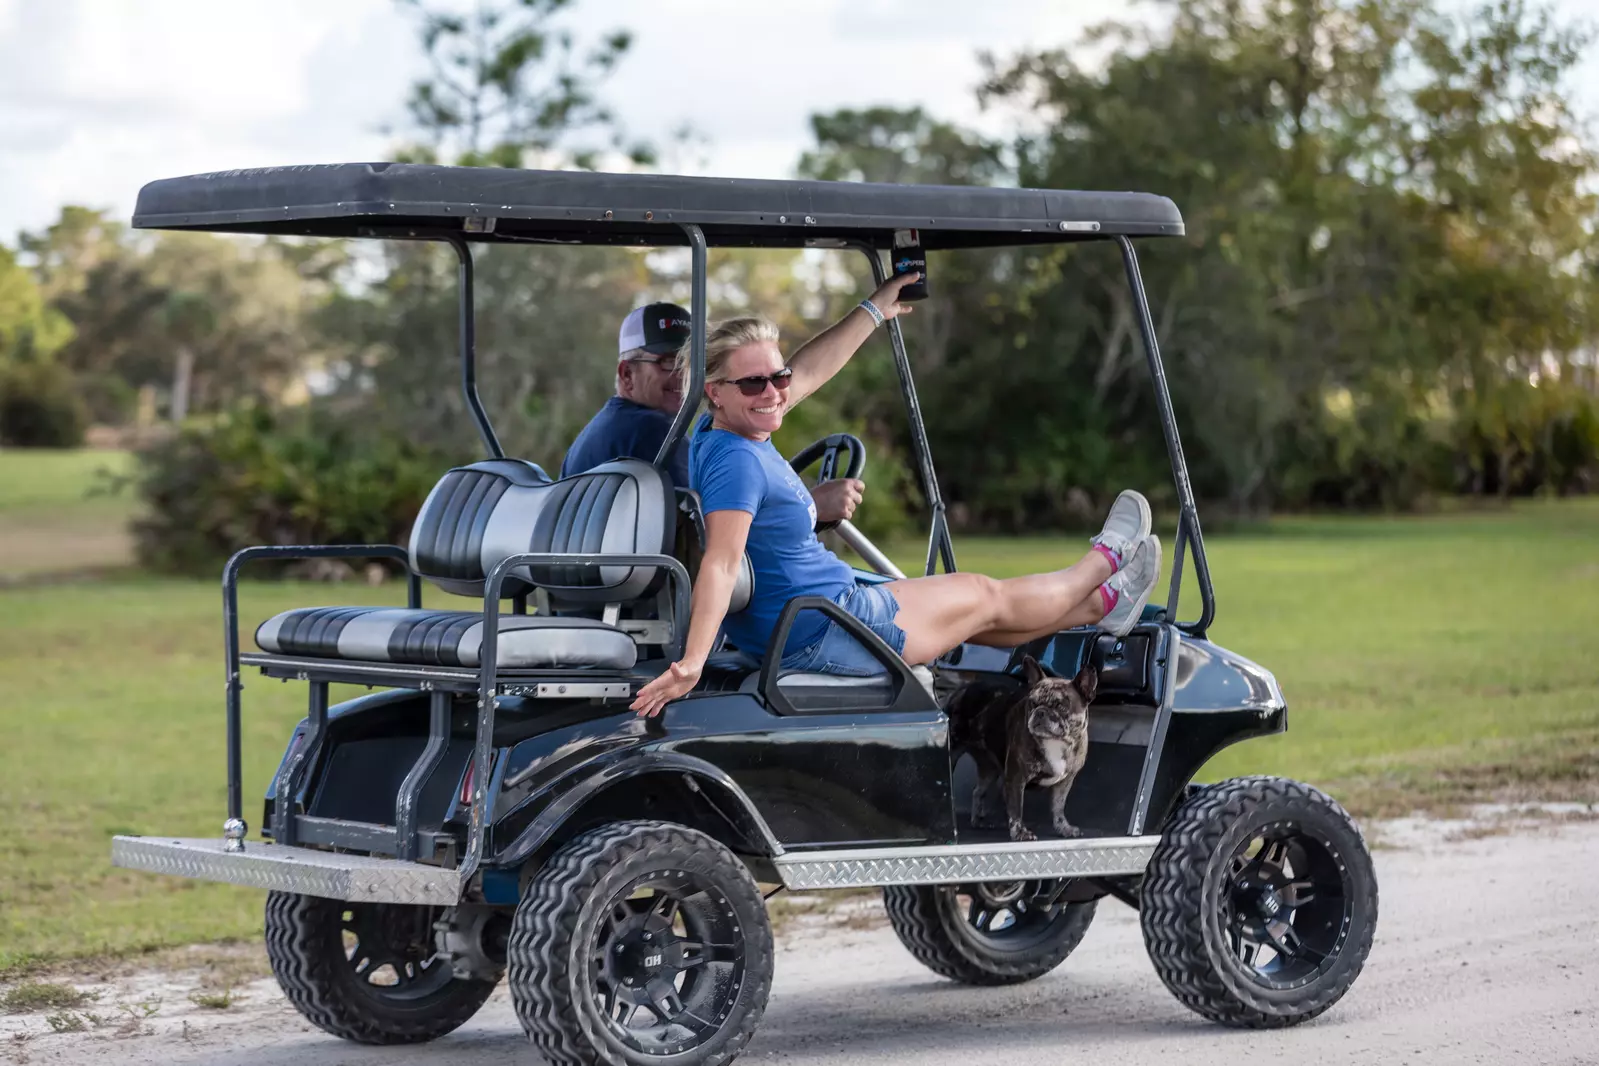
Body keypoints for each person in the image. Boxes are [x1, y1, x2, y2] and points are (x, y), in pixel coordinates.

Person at [630, 271, 1163, 717]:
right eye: (754, 384)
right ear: (714, 392)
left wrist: (874, 308)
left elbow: (811, 372)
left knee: (979, 619)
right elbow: (721, 564)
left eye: (778, 376)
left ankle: (1102, 605)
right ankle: (1105, 562)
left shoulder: (722, 430)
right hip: (824, 627)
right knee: (985, 596)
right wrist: (692, 664)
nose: (773, 393)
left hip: (813, 611)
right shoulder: (740, 463)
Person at [563, 302, 865, 525]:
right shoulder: (651, 432)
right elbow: (712, 532)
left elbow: (803, 377)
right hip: (647, 603)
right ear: (627, 374)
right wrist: (812, 506)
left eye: (689, 363)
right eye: (668, 362)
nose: (683, 376)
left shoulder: (616, 424)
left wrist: (874, 311)